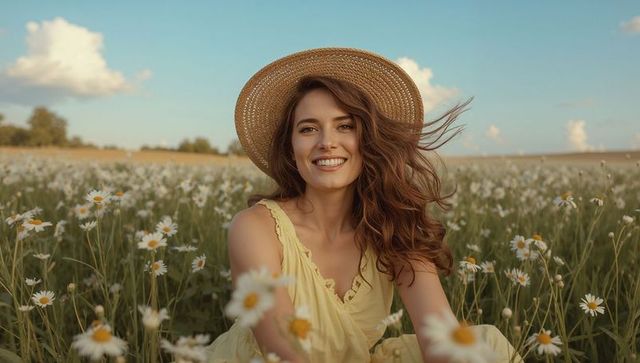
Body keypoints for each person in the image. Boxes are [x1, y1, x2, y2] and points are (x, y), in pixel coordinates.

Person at [206, 48, 523, 363]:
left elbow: (441, 338)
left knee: (484, 350)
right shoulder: (254, 228)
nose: (326, 142)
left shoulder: (396, 223)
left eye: (345, 126)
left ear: (368, 139)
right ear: (291, 149)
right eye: (308, 128)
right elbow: (285, 351)